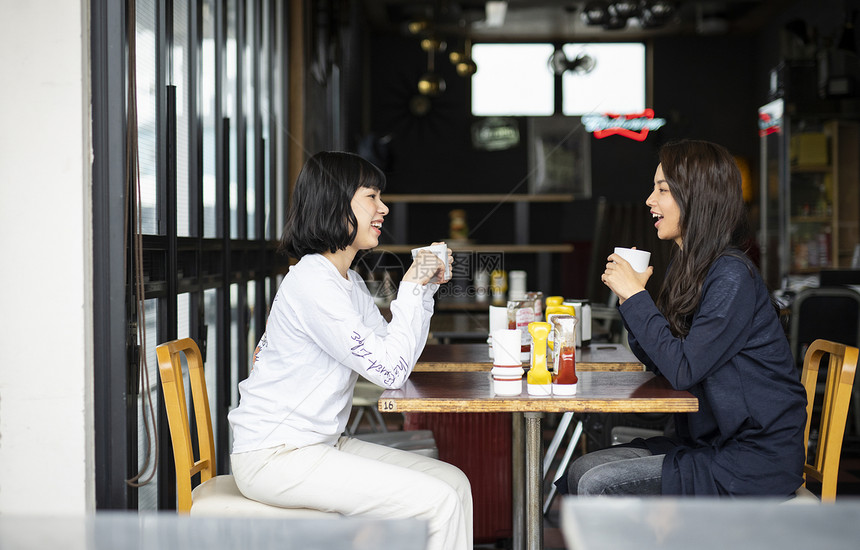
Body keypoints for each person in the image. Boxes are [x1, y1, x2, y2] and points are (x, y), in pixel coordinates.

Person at [228, 151, 473, 549]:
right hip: (276, 455)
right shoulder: (313, 283)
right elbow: (390, 373)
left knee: (454, 484)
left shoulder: (348, 283)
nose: (384, 207)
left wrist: (424, 289)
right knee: (438, 502)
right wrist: (411, 286)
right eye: (371, 197)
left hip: (319, 443)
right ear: (336, 204)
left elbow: (397, 359)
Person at [565, 139, 807, 497]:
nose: (649, 200)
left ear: (696, 197)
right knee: (582, 468)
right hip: (711, 445)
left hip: (752, 459)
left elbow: (683, 370)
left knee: (594, 483)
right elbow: (660, 360)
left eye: (662, 189)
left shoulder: (731, 275)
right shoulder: (693, 267)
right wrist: (630, 300)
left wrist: (637, 298)